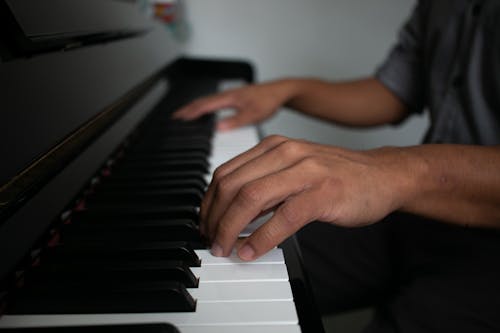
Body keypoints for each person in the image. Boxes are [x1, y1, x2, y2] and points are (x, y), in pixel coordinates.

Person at [173, 0, 500, 331]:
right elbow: (395, 92)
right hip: (417, 212)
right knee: (221, 258)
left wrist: (394, 171)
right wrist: (288, 90)